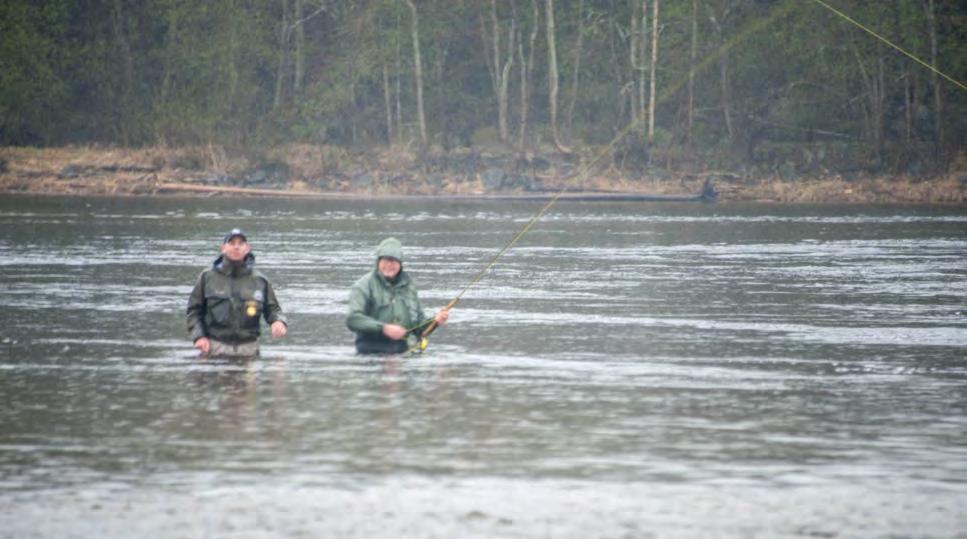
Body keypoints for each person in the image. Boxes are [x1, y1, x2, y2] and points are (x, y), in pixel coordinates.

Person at [187, 228, 287, 357]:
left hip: (249, 349)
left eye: (240, 244)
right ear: (223, 248)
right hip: (214, 347)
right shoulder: (207, 277)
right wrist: (199, 337)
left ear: (247, 248)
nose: (236, 247)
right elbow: (194, 311)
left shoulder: (260, 280)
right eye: (232, 243)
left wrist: (278, 322)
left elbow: (273, 309)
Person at [347, 237, 449, 354]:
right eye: (386, 260)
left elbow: (418, 329)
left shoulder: (409, 287)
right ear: (378, 261)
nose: (389, 265)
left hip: (404, 353)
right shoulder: (363, 286)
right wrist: (384, 328)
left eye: (394, 261)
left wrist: (435, 321)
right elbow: (353, 319)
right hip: (371, 351)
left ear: (400, 264)